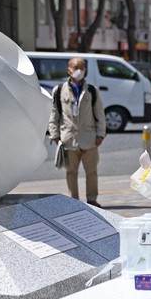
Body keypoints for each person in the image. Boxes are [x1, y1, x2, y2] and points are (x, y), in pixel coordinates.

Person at [48, 58, 106, 208]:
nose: (79, 70)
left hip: (89, 138)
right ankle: (73, 200)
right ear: (69, 70)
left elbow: (99, 113)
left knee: (91, 172)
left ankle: (92, 199)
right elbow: (54, 114)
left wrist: (100, 134)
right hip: (68, 138)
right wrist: (54, 134)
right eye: (76, 67)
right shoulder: (59, 90)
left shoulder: (92, 90)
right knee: (71, 172)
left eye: (82, 67)